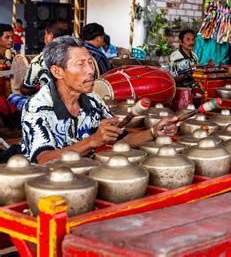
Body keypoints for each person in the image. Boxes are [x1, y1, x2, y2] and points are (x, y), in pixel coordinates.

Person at [21, 36, 179, 164]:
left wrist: (154, 131)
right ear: (57, 71)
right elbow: (43, 159)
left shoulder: (92, 98)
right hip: (48, 186)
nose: (91, 70)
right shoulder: (37, 106)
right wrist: (92, 141)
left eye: (90, 62)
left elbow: (122, 138)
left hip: (86, 178)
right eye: (81, 64)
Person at [20, 21, 73, 96]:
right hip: (78, 101)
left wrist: (38, 88)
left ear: (50, 36)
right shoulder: (80, 56)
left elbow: (26, 89)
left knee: (13, 98)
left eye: (45, 34)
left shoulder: (39, 60)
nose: (44, 37)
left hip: (51, 103)